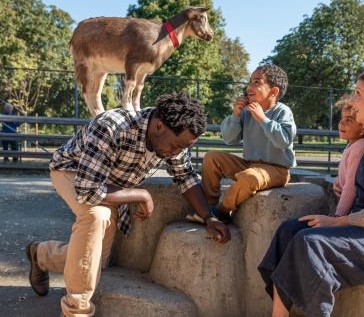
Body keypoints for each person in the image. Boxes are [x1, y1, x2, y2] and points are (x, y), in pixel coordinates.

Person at [25, 92, 231, 317]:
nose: (177, 153)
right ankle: (77, 310)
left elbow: (186, 178)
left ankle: (41, 254)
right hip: (73, 172)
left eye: (183, 148)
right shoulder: (112, 126)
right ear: (159, 126)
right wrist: (140, 194)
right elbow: (87, 189)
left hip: (108, 185)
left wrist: (209, 217)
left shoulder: (173, 139)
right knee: (97, 216)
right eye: (177, 146)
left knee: (96, 261)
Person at [258, 68, 364, 317]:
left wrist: (338, 221)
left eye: (358, 93)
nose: (352, 101)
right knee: (289, 231)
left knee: (311, 243)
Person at [188, 64, 296, 224]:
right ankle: (208, 206)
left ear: (273, 92)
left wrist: (263, 119)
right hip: (249, 164)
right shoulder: (246, 112)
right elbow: (229, 139)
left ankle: (222, 211)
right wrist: (236, 115)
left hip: (277, 170)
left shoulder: (283, 111)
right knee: (211, 158)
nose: (249, 87)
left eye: (257, 82)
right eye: (250, 81)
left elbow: (284, 141)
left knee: (249, 177)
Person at [333, 94, 364, 216]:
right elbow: (347, 174)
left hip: (353, 210)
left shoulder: (359, 146)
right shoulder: (352, 145)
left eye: (349, 120)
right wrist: (338, 180)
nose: (341, 123)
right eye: (342, 118)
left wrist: (338, 215)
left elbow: (351, 185)